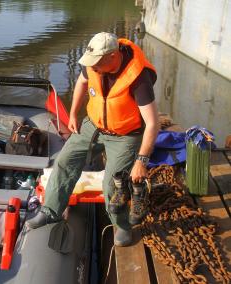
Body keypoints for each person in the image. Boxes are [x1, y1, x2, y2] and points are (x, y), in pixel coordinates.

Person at [26, 32, 159, 247]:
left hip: (125, 135)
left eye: (96, 63)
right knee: (64, 161)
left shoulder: (139, 78)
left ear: (113, 56)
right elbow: (81, 82)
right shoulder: (93, 64)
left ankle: (123, 226)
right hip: (94, 125)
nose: (92, 68)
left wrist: (141, 161)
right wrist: (73, 114)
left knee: (111, 185)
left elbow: (153, 123)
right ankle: (51, 210)